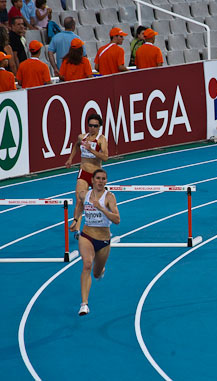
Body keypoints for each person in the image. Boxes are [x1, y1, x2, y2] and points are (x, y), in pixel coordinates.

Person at [69, 168, 120, 316]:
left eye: (103, 179)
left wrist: (101, 208)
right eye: (98, 178)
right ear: (92, 180)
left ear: (106, 181)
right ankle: (84, 304)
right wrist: (76, 220)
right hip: (87, 235)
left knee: (96, 273)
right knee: (87, 265)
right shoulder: (84, 194)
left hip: (103, 239)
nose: (100, 181)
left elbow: (117, 220)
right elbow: (79, 205)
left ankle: (100, 270)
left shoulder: (109, 197)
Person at [65, 113, 109, 235]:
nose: (92, 128)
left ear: (99, 127)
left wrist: (91, 150)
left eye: (95, 126)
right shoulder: (82, 137)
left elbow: (105, 157)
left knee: (98, 204)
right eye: (90, 125)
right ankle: (77, 228)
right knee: (79, 200)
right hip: (83, 172)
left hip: (96, 176)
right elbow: (76, 146)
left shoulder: (101, 139)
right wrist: (70, 158)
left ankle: (103, 228)